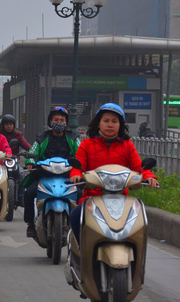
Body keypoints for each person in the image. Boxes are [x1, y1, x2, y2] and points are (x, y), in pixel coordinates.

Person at [68, 103, 158, 247]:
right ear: (98, 123)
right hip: (92, 198)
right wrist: (76, 174)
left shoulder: (127, 145)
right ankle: (81, 252)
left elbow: (139, 168)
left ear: (120, 125)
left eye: (114, 121)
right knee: (75, 216)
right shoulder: (87, 144)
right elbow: (78, 166)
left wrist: (149, 176)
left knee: (140, 221)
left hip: (122, 200)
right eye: (106, 121)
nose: (110, 125)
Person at [22, 107, 81, 237]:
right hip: (44, 175)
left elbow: (81, 153)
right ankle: (30, 224)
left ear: (66, 123)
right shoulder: (42, 138)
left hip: (69, 177)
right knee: (29, 193)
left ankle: (81, 225)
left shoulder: (74, 138)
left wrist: (81, 166)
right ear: (50, 121)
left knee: (82, 194)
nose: (59, 122)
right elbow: (33, 151)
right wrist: (30, 162)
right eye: (56, 120)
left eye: (62, 120)